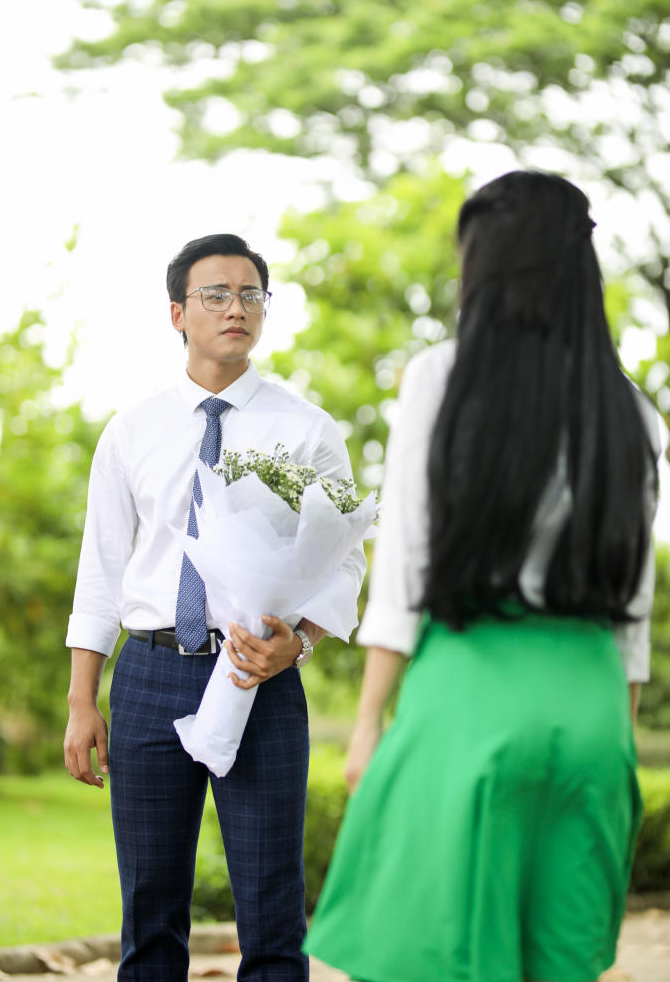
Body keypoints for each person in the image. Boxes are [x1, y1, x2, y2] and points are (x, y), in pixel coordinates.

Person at [305, 171, 662, 982]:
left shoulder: (442, 376)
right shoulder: (634, 413)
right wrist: (618, 746)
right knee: (560, 965)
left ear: (489, 265)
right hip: (592, 712)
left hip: (471, 694)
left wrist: (368, 724)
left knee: (440, 958)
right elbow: (631, 611)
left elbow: (405, 564)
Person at [63, 233, 366, 981]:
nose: (237, 308)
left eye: (251, 294)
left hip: (260, 674)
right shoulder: (131, 431)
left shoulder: (307, 429)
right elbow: (101, 568)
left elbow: (344, 559)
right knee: (150, 910)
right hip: (150, 674)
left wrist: (298, 643)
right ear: (178, 313)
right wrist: (81, 699)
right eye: (217, 294)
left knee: (271, 909)